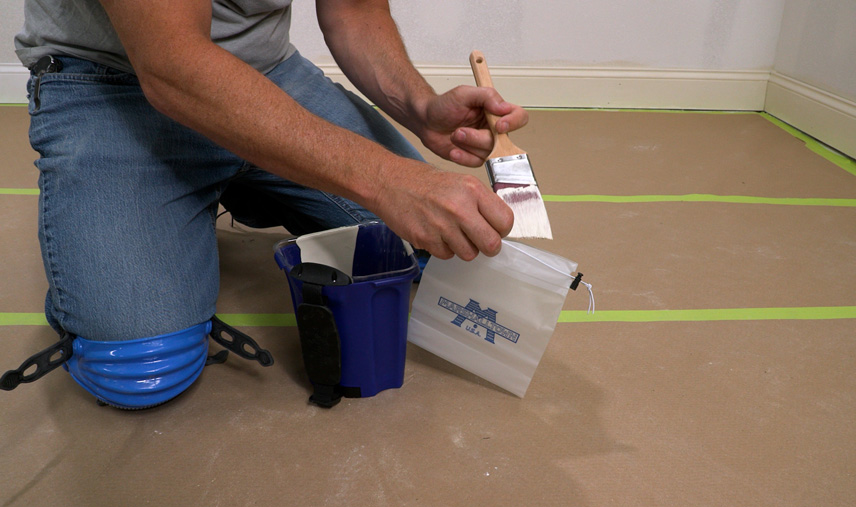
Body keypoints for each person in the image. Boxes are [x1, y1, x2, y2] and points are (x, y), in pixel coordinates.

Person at [8, 0, 527, 407]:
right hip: (115, 81)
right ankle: (202, 188)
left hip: (267, 74)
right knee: (137, 370)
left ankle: (245, 176)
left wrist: (419, 107)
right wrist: (387, 180)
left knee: (431, 248)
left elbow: (355, 10)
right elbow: (171, 62)